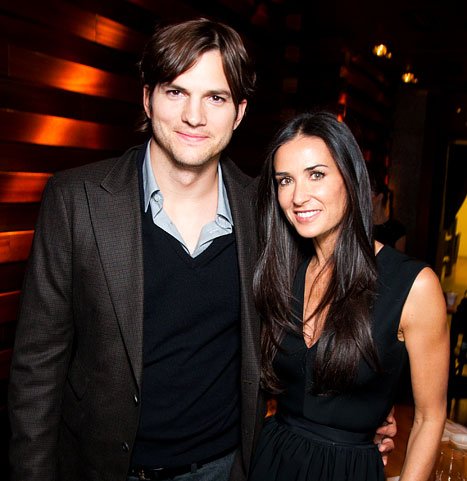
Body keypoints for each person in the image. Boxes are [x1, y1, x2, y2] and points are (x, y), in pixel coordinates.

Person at [7, 19, 395, 481]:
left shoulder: (266, 212)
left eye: (216, 98)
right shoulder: (77, 200)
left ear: (239, 112)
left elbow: (312, 318)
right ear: (147, 98)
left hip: (223, 469)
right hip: (100, 468)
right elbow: (37, 368)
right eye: (176, 92)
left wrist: (355, 412)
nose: (195, 116)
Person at [249, 111, 449, 481]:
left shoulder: (413, 285)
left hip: (349, 470)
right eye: (285, 180)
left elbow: (429, 417)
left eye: (316, 174)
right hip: (271, 460)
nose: (298, 196)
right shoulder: (281, 270)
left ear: (350, 177)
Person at [369, 167, 407, 252]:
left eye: (370, 195)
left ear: (379, 197)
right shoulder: (364, 226)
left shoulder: (397, 229)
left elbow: (399, 258)